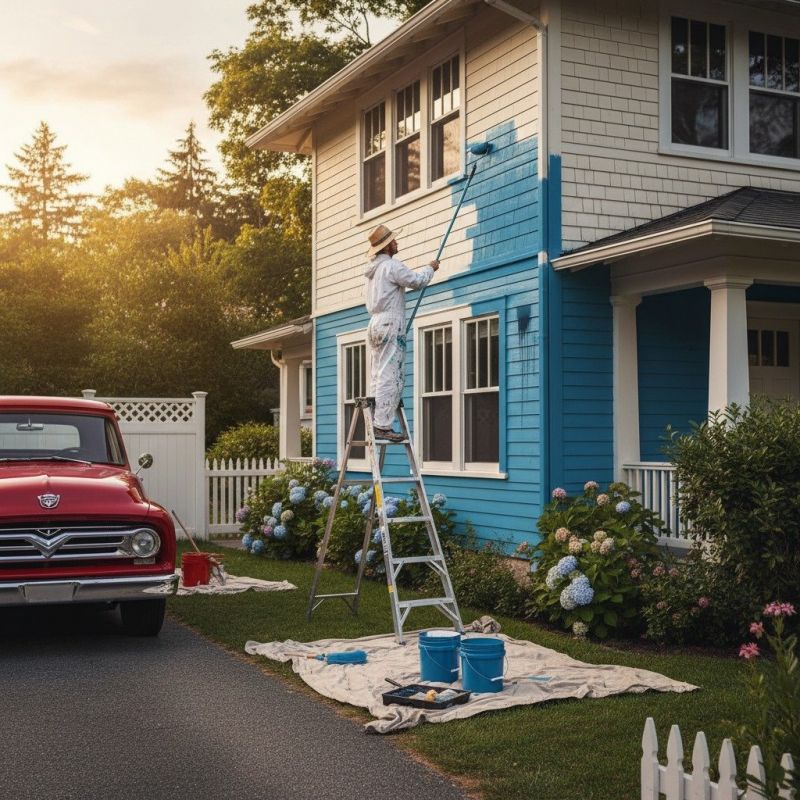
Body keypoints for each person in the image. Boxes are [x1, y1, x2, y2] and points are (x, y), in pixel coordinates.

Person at [364, 224, 439, 442]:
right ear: (387, 247)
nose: (397, 243)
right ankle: (382, 425)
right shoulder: (391, 266)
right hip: (390, 322)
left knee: (378, 372)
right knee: (391, 374)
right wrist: (431, 268)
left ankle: (375, 419)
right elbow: (416, 281)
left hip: (375, 324)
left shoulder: (372, 272)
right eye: (394, 241)